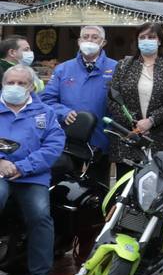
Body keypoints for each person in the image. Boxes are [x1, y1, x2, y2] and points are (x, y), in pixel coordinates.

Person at [0, 64, 63, 275]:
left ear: (31, 86)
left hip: (32, 175)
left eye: (21, 83)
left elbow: (53, 146)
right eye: (10, 82)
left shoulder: (45, 113)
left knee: (40, 215)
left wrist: (22, 167)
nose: (15, 87)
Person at [106, 22, 163, 177]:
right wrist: (134, 122)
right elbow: (113, 98)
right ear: (137, 41)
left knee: (157, 185)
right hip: (129, 133)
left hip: (161, 135)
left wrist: (151, 120)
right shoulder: (123, 66)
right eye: (142, 37)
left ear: (160, 40)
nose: (146, 40)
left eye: (151, 37)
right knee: (126, 186)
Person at [40, 24, 117, 179]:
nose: (89, 40)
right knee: (65, 184)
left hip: (101, 139)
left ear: (103, 43)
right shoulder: (63, 69)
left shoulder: (116, 68)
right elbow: (47, 100)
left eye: (95, 37)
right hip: (69, 138)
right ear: (79, 41)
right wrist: (63, 113)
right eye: (85, 37)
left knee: (98, 186)